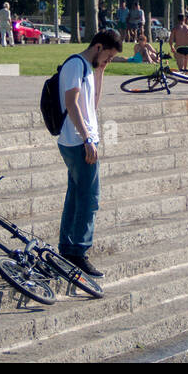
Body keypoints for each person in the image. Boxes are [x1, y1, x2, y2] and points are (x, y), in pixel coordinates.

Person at [57, 29, 125, 275]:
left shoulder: (88, 67)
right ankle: (78, 251)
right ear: (98, 47)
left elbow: (92, 104)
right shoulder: (75, 65)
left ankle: (67, 247)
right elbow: (71, 103)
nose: (108, 61)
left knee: (76, 195)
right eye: (108, 56)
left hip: (82, 140)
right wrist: (87, 139)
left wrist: (101, 71)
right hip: (77, 141)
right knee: (90, 198)